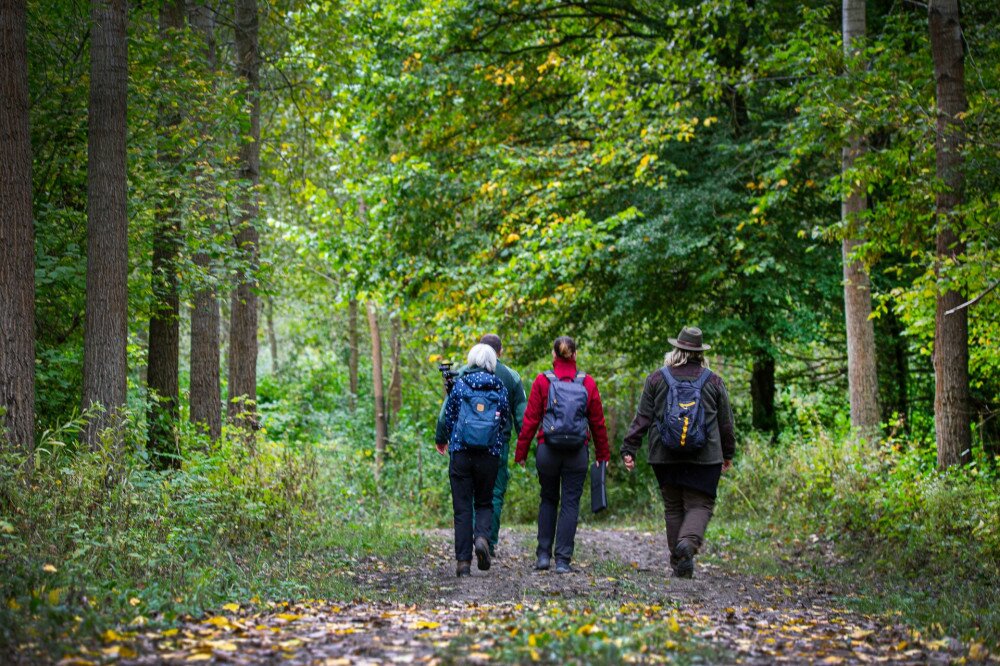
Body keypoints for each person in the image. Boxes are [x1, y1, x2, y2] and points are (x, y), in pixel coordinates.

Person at [620, 326, 736, 579]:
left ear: (677, 349)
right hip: (706, 457)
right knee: (701, 503)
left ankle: (679, 561)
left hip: (664, 455)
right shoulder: (714, 380)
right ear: (699, 353)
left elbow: (643, 418)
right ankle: (688, 543)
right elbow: (726, 423)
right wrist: (728, 453)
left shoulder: (656, 379)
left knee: (673, 507)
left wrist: (630, 447)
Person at [515, 336, 610, 574]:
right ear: (575, 355)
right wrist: (603, 454)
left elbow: (530, 420)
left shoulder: (542, 381)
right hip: (577, 451)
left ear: (553, 356)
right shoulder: (587, 383)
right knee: (570, 503)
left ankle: (543, 556)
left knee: (548, 499)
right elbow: (598, 423)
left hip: (548, 449)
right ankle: (563, 560)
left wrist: (521, 452)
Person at [435, 334, 527, 557]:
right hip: (495, 446)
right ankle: (486, 541)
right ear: (500, 352)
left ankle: (465, 556)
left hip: (462, 447)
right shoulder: (510, 378)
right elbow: (519, 415)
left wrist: (442, 437)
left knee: (464, 501)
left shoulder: (462, 377)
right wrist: (523, 445)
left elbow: (446, 414)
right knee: (491, 495)